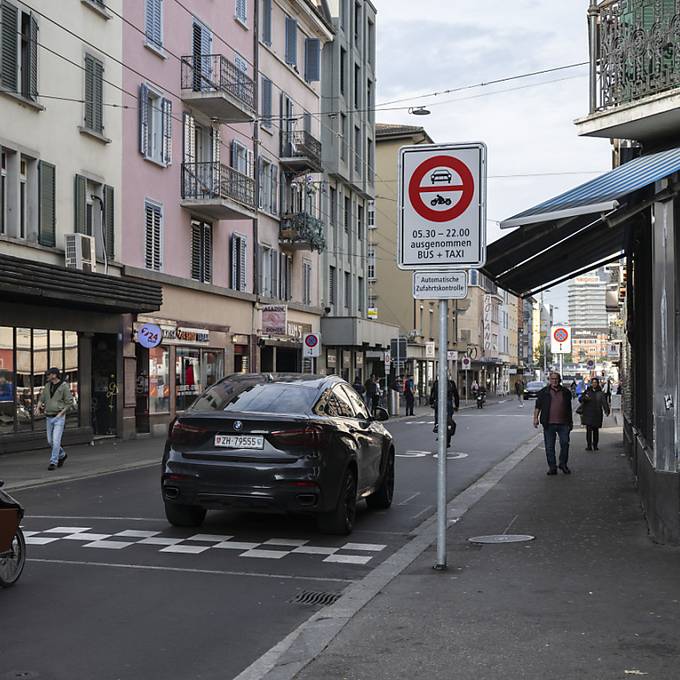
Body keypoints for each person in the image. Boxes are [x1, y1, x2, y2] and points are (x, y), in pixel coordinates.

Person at [533, 371, 573, 475]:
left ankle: (563, 464)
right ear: (549, 380)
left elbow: (569, 409)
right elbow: (538, 406)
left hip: (563, 423)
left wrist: (570, 422)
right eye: (552, 379)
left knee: (565, 443)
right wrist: (535, 418)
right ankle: (552, 467)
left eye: (556, 379)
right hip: (548, 423)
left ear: (559, 380)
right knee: (549, 446)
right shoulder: (543, 392)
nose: (554, 381)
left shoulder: (565, 392)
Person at [37, 367, 75, 471]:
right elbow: (42, 398)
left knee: (56, 440)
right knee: (50, 441)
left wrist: (61, 413)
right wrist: (38, 407)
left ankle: (53, 462)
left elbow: (69, 402)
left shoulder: (64, 387)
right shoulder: (47, 386)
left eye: (49, 374)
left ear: (54, 375)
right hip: (49, 417)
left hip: (59, 417)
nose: (47, 376)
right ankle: (62, 454)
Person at [579, 377, 610, 451]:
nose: (594, 384)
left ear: (597, 383)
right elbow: (580, 399)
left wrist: (606, 410)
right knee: (588, 430)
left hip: (597, 413)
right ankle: (589, 445)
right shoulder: (587, 391)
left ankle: (595, 445)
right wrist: (584, 398)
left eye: (595, 382)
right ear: (591, 383)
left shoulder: (600, 393)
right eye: (593, 382)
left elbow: (604, 402)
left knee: (596, 430)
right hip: (588, 413)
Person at [430, 375, 460, 447]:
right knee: (448, 419)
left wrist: (431, 403)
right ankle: (448, 439)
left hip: (439, 403)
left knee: (438, 414)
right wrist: (456, 405)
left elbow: (432, 394)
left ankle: (437, 424)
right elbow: (456, 395)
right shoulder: (451, 383)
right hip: (448, 404)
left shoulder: (436, 383)